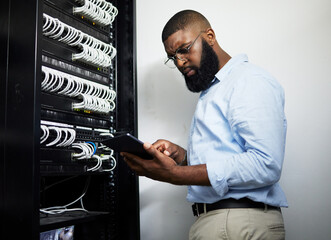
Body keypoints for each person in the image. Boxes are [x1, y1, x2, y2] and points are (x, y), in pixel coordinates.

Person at [121, 9, 288, 240]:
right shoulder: (216, 87)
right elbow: (228, 155)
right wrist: (182, 157)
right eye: (173, 57)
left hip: (239, 224)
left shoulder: (248, 80)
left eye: (184, 49)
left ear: (210, 36)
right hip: (225, 223)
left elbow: (265, 164)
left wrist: (177, 174)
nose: (179, 62)